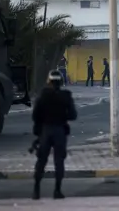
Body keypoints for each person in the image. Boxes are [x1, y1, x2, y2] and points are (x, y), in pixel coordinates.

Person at [31, 70, 77, 200]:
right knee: (59, 161)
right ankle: (57, 190)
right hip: (60, 131)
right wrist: (63, 116)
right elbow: (73, 115)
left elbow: (35, 116)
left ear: (49, 81)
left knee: (41, 161)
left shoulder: (42, 96)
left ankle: (36, 190)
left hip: (45, 131)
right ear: (61, 82)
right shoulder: (66, 96)